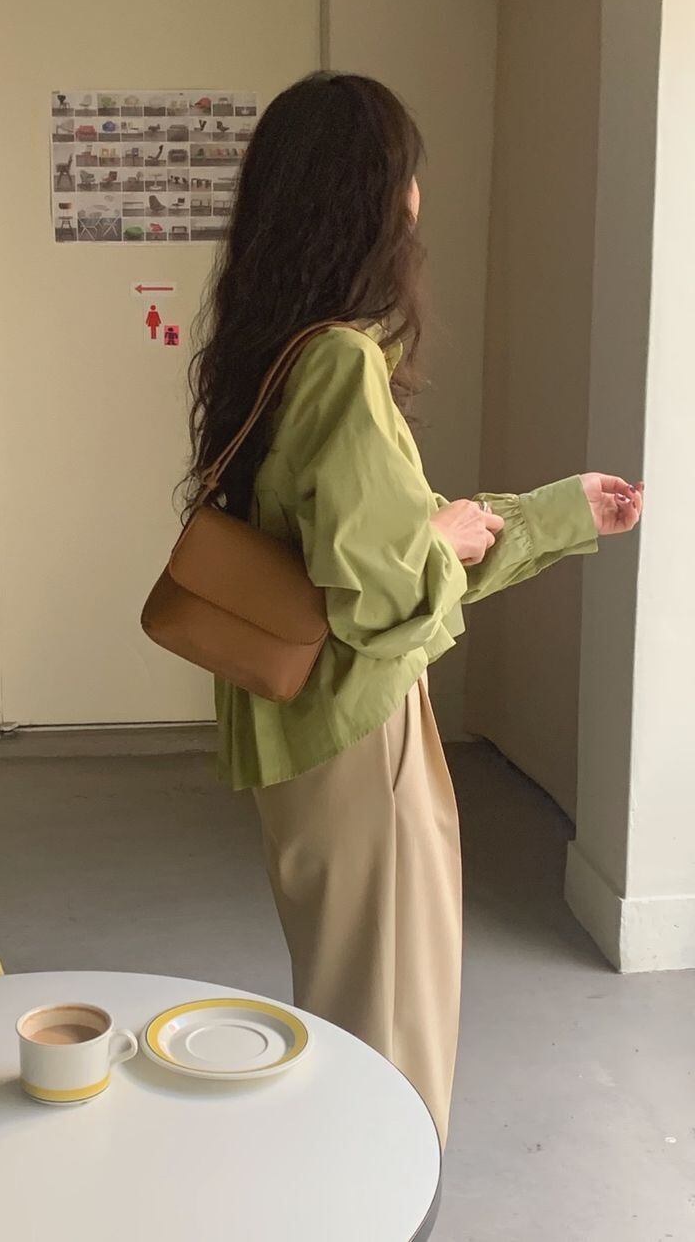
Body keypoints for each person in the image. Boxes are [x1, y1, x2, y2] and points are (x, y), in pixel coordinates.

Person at [184, 72, 643, 1148]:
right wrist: (446, 535)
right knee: (394, 1025)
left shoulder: (269, 349)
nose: (419, 198)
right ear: (372, 196)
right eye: (408, 174)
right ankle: (383, 1202)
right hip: (363, 733)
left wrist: (545, 516)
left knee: (346, 993)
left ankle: (349, 1189)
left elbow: (357, 548)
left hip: (297, 731)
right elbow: (386, 589)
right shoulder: (342, 360)